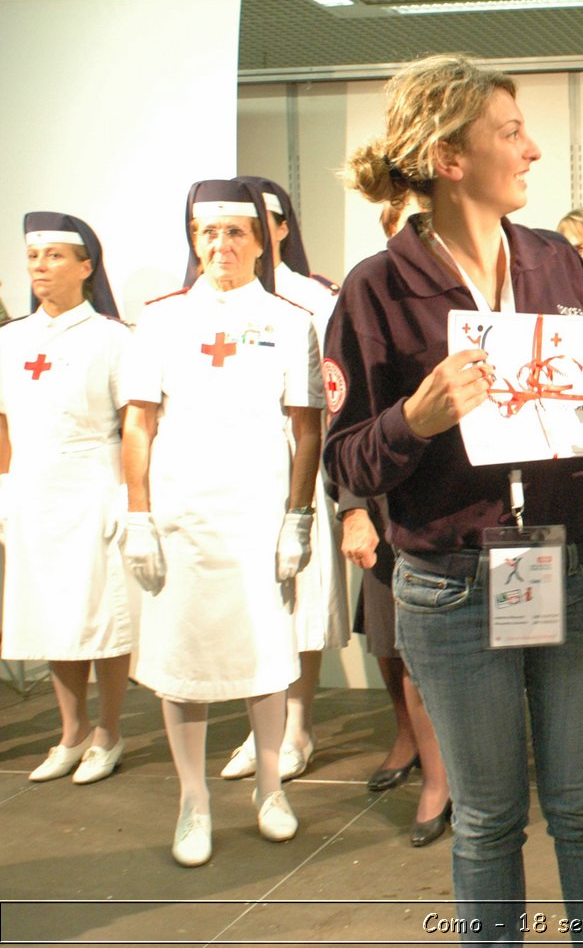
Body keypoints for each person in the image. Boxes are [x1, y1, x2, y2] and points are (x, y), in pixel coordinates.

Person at [323, 52, 583, 943]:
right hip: (452, 583)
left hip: (575, 565)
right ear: (448, 157)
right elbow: (347, 460)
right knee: (487, 819)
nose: (534, 150)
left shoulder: (554, 260)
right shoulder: (376, 289)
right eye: (511, 133)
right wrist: (417, 417)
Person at [121, 178, 324, 867]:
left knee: (265, 658)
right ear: (193, 240)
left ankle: (270, 788)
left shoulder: (292, 320)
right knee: (184, 663)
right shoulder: (160, 320)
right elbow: (139, 423)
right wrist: (138, 515)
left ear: (262, 239)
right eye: (207, 232)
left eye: (235, 231)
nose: (221, 244)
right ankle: (193, 800)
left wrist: (298, 517)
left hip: (258, 514)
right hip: (183, 518)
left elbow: (307, 427)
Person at [214, 176, 350, 783]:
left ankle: (298, 724)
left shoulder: (314, 299)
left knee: (300, 599)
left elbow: (336, 394)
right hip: (231, 475)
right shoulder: (209, 303)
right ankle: (259, 724)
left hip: (299, 462)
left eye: (267, 219)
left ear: (284, 227)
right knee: (250, 603)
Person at [0, 212, 132, 786]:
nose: (40, 267)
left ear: (86, 266)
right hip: (33, 491)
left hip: (93, 490)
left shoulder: (111, 338)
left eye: (54, 256)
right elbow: (3, 426)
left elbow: (134, 425)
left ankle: (109, 732)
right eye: (33, 257)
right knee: (51, 615)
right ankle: (70, 733)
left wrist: (128, 498)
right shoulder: (10, 341)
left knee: (101, 616)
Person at [341, 490, 453, 846]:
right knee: (393, 625)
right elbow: (345, 438)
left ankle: (463, 768)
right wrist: (353, 509)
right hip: (391, 482)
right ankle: (426, 761)